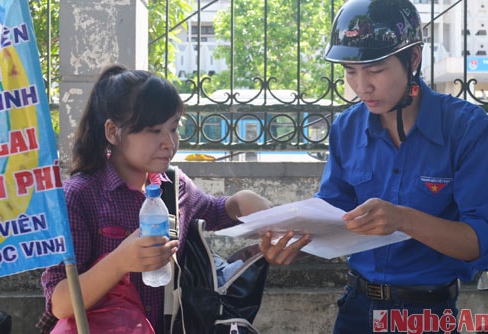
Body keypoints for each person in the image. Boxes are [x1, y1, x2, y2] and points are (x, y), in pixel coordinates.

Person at [37, 64, 310, 333]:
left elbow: (216, 211)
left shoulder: (173, 187)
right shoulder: (78, 196)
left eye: (174, 128)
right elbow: (59, 302)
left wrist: (244, 202)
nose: (169, 142)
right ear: (113, 132)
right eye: (154, 131)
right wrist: (120, 262)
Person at [314, 0, 488, 332]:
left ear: (413, 58)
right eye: (350, 71)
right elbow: (330, 215)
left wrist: (403, 219)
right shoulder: (346, 129)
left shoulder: (466, 128)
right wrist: (289, 235)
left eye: (375, 69)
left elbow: (481, 244)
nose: (361, 86)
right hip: (356, 309)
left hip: (427, 313)